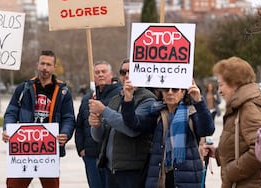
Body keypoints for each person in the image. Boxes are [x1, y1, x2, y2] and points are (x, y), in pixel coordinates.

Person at [2, 50, 75, 188]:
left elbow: (69, 118)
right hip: (24, 148)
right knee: (14, 185)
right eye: (42, 63)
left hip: (49, 149)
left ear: (54, 67)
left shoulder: (63, 92)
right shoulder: (24, 88)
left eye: (49, 64)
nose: (45, 67)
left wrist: (65, 134)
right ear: (37, 65)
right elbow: (11, 112)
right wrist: (7, 128)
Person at [122, 79, 215, 187]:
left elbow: (208, 129)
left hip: (186, 178)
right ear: (161, 92)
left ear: (183, 92)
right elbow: (134, 123)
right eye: (166, 89)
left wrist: (199, 101)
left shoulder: (192, 113)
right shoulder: (156, 113)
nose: (170, 92)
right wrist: (128, 99)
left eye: (175, 89)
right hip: (161, 177)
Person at [89, 58, 156, 188]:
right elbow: (99, 137)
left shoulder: (147, 99)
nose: (127, 75)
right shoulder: (116, 99)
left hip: (132, 170)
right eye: (123, 72)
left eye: (131, 71)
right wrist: (96, 125)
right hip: (112, 168)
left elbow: (132, 129)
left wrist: (104, 110)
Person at [203, 56, 261, 187]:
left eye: (221, 85)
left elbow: (260, 150)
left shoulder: (248, 108)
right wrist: (217, 153)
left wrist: (230, 172)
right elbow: (239, 145)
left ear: (235, 83)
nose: (219, 90)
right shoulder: (240, 107)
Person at [75, 61, 122, 188]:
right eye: (97, 72)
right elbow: (79, 125)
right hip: (91, 155)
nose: (100, 75)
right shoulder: (88, 99)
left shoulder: (120, 95)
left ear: (111, 74)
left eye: (103, 72)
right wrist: (81, 148)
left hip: (111, 157)